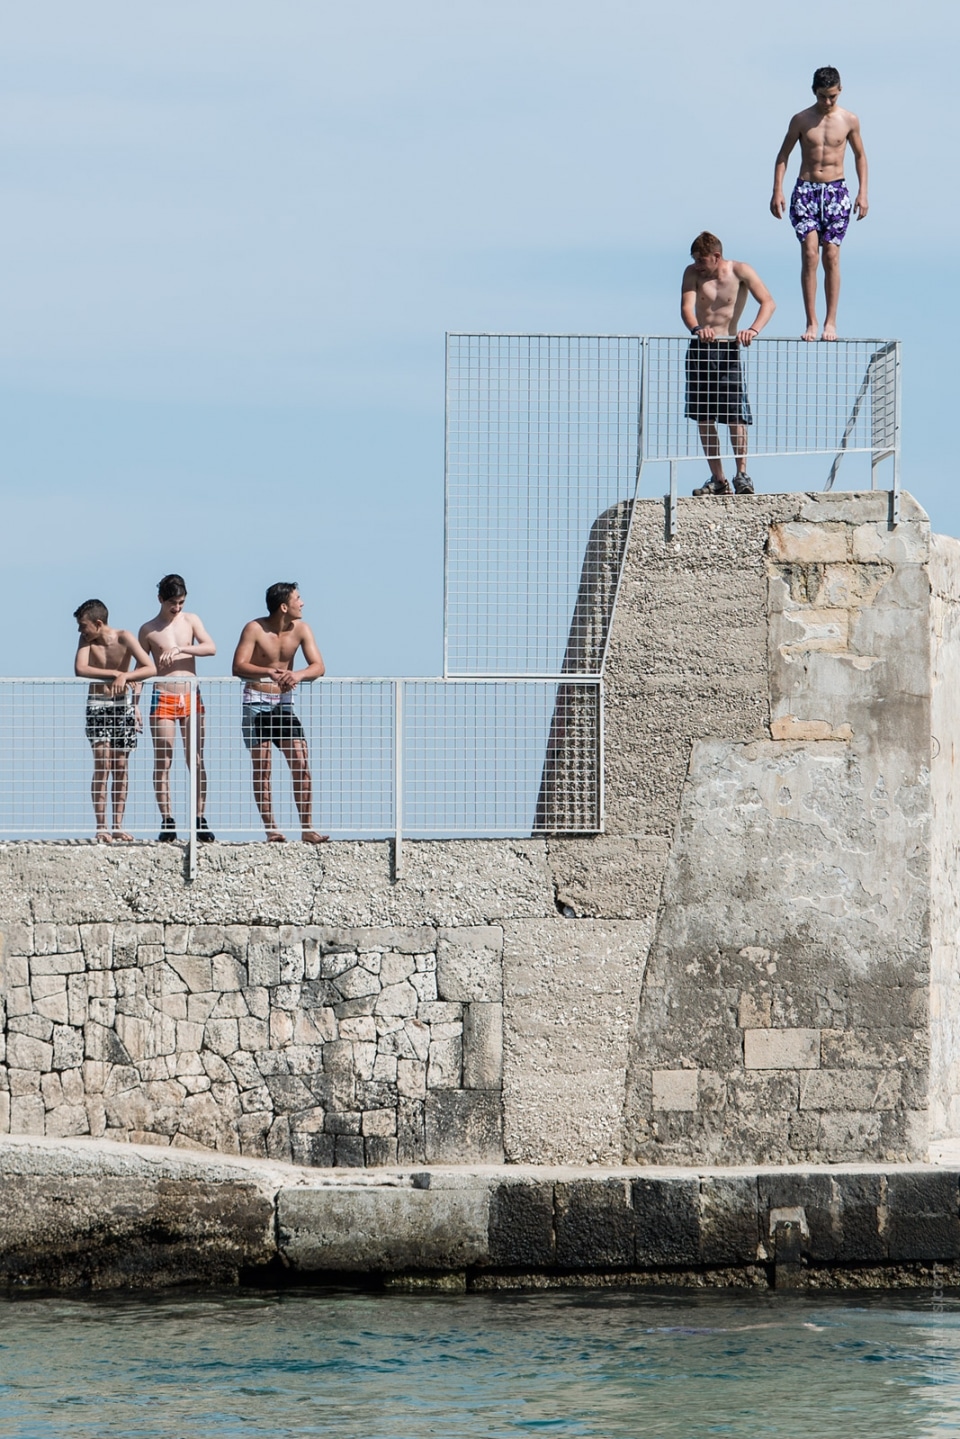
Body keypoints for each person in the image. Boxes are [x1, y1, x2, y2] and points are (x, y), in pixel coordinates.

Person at [770, 65, 869, 342]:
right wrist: (777, 190)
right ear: (814, 92)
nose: (828, 102)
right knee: (810, 253)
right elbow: (783, 156)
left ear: (840, 91)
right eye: (823, 96)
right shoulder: (801, 120)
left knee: (831, 255)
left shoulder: (849, 120)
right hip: (806, 190)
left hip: (836, 191)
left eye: (833, 97)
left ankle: (831, 322)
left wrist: (863, 192)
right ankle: (811, 321)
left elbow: (860, 156)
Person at [680, 232, 776, 496]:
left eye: (702, 260)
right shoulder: (692, 274)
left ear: (716, 256)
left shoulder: (740, 271)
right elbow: (687, 308)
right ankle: (718, 479)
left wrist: (753, 330)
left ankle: (742, 474)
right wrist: (698, 328)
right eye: (695, 260)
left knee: (735, 415)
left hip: (727, 349)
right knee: (703, 416)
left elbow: (768, 302)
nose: (698, 264)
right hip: (701, 349)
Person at [231, 582, 328, 843]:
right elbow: (238, 665)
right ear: (284, 606)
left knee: (301, 762)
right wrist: (267, 672)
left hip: (283, 704)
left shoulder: (302, 629)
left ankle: (307, 828)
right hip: (256, 702)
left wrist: (297, 674)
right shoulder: (254, 628)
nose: (302, 603)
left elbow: (319, 666)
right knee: (263, 768)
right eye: (298, 598)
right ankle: (271, 828)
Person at [138, 574, 217, 842]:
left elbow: (210, 647)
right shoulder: (148, 629)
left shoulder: (191, 620)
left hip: (190, 695)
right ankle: (168, 820)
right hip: (163, 697)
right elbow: (141, 668)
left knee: (195, 758)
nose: (177, 608)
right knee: (164, 760)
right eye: (172, 602)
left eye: (181, 602)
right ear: (161, 599)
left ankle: (199, 818)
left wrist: (181, 649)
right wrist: (134, 704)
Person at [73, 599, 156, 842]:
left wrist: (128, 675)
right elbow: (81, 669)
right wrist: (115, 675)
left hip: (122, 706)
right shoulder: (86, 641)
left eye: (83, 626)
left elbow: (149, 667)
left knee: (121, 765)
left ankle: (118, 824)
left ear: (98, 624)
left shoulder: (124, 637)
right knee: (102, 764)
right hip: (97, 704)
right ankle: (102, 826)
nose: (81, 631)